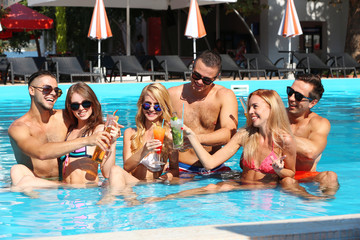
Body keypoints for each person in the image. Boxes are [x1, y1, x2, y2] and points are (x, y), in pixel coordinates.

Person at [146, 89, 320, 202]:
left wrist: (278, 170)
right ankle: (166, 199)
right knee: (211, 187)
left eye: (255, 107)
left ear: (271, 108)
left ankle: (313, 202)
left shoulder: (285, 140)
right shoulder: (245, 135)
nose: (250, 111)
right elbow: (210, 163)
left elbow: (290, 172)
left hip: (267, 192)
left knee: (290, 182)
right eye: (250, 106)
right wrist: (191, 136)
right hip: (243, 186)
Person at [9, 70, 111, 190]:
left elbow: (88, 120)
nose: (53, 94)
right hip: (39, 184)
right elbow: (41, 152)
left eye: (57, 91)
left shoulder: (64, 118)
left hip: (64, 184)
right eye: (47, 89)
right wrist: (87, 140)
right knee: (17, 171)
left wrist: (109, 129)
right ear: (32, 90)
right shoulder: (18, 128)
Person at [103, 83, 179, 202]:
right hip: (134, 184)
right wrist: (144, 151)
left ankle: (115, 203)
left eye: (157, 106)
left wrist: (163, 178)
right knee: (114, 170)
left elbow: (175, 170)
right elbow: (127, 167)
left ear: (164, 107)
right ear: (141, 106)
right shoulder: (130, 133)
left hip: (154, 186)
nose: (151, 109)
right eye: (147, 105)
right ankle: (116, 204)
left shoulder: (169, 135)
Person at [168, 50, 238, 175]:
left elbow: (229, 133)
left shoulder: (224, 96)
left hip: (215, 168)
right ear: (193, 66)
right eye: (196, 75)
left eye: (206, 80)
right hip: (181, 168)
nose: (199, 82)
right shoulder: (172, 95)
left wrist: (194, 139)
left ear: (216, 78)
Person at [59, 82, 122, 186]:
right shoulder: (68, 131)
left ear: (93, 104)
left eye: (86, 104)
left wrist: (113, 142)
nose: (81, 108)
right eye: (75, 105)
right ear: (69, 108)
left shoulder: (98, 130)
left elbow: (106, 173)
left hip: (86, 193)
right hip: (66, 194)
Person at [285, 74, 339, 194]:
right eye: (290, 91)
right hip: (278, 176)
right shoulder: (277, 115)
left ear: (312, 103)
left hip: (304, 177)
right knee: (288, 181)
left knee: (330, 176)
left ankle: (325, 206)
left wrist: (275, 132)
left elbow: (311, 152)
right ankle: (309, 200)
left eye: (298, 96)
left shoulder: (319, 123)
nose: (291, 98)